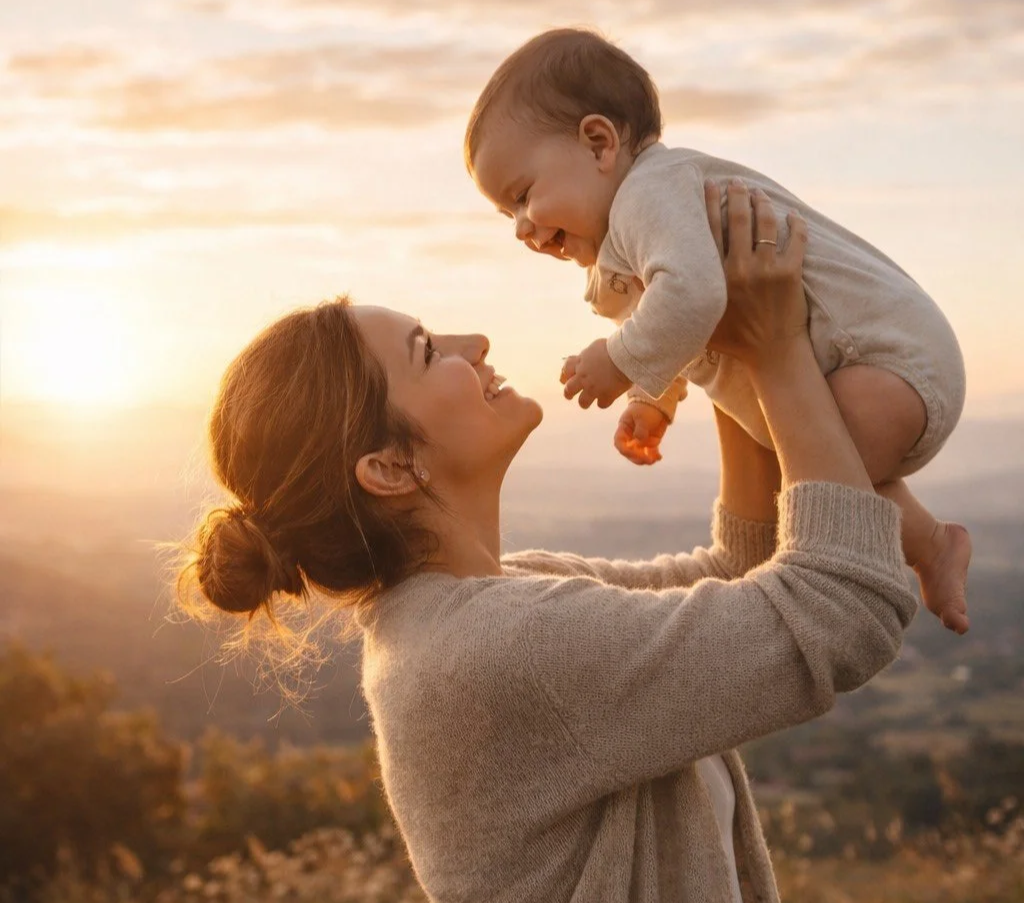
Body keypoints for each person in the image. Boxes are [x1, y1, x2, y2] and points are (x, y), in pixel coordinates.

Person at [180, 186, 917, 903]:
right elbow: (841, 609)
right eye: (428, 351)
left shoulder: (489, 605)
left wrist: (714, 336)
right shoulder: (499, 650)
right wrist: (779, 346)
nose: (475, 344)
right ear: (390, 466)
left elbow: (736, 575)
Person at [465, 27, 970, 635]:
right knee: (814, 474)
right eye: (507, 215)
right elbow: (684, 327)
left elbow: (696, 295)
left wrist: (621, 359)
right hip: (845, 372)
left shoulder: (649, 192)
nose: (522, 228)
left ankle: (933, 543)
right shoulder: (624, 245)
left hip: (887, 362)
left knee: (822, 489)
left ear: (599, 143)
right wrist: (655, 398)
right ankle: (933, 543)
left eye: (523, 196)